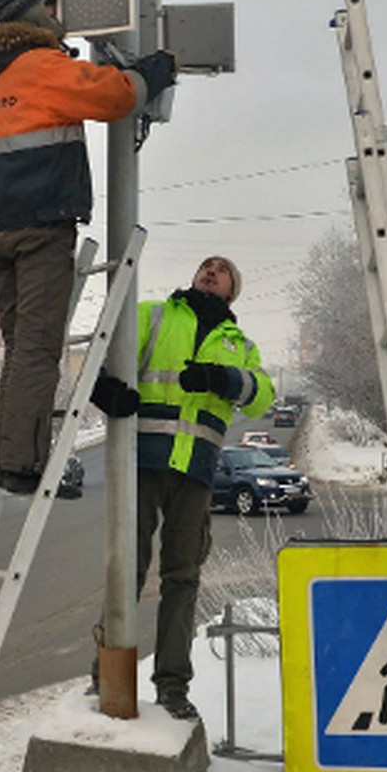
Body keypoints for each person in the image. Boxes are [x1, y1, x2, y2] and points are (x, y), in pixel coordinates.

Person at [0, 0, 174, 494]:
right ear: (37, 12)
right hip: (42, 228)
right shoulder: (39, 67)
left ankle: (10, 457)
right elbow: (115, 97)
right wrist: (154, 73)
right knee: (37, 350)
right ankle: (22, 465)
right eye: (53, 9)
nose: (60, 18)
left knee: (22, 349)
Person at [94, 255, 274, 720]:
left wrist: (224, 378)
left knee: (182, 579)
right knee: (126, 571)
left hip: (196, 473)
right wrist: (102, 389)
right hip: (143, 461)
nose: (211, 270)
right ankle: (106, 676)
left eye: (223, 269)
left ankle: (172, 688)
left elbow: (262, 397)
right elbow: (102, 349)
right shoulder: (154, 315)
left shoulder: (239, 346)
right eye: (205, 266)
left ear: (233, 288)